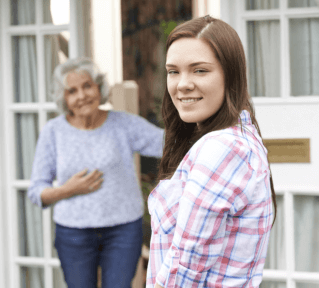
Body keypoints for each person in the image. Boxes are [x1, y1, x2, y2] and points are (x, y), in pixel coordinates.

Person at [146, 15, 277, 288]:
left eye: (200, 70)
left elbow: (185, 264)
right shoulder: (241, 137)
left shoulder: (222, 149)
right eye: (173, 71)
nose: (182, 84)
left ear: (231, 75)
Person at [27, 57, 164, 288]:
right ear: (65, 99)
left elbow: (167, 143)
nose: (82, 96)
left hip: (123, 230)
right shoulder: (53, 132)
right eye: (72, 91)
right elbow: (36, 192)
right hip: (73, 233)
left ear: (98, 87)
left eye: (87, 86)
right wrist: (67, 190)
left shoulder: (123, 124)